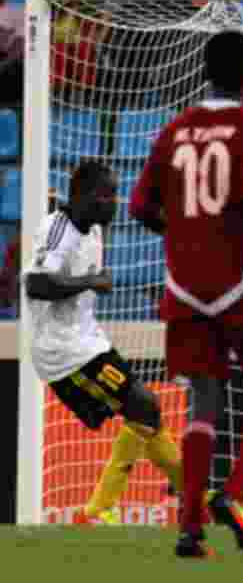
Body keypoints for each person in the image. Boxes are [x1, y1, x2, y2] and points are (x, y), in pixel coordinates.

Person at [130, 31, 243, 558]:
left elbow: (140, 207)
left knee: (203, 401)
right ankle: (234, 493)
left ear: (204, 70)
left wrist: (182, 232)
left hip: (182, 286)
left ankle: (189, 530)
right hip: (239, 284)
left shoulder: (174, 129)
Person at [24, 160, 183, 526]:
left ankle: (99, 511)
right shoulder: (58, 230)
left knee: (144, 411)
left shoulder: (94, 229)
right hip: (62, 350)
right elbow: (35, 284)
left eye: (115, 193)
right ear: (80, 196)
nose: (113, 202)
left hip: (87, 340)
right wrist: (89, 282)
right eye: (105, 194)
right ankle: (190, 499)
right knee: (144, 405)